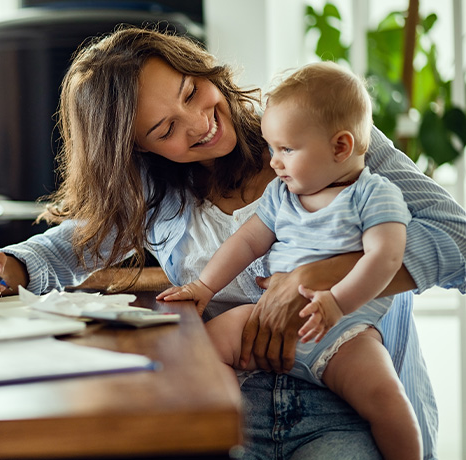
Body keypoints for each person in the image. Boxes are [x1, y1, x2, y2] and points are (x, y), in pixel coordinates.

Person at [0, 26, 466, 459]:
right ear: (136, 148)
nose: (199, 123)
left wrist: (314, 277)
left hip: (347, 393)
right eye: (165, 127)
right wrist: (4, 267)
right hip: (229, 395)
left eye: (191, 91)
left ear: (200, 68)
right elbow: (69, 246)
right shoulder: (154, 189)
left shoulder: (316, 129)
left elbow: (459, 241)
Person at [158, 61, 421, 459]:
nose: (274, 162)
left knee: (388, 399)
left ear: (340, 147)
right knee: (200, 348)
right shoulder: (283, 195)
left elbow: (385, 259)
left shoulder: (374, 196)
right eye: (272, 148)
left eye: (287, 150)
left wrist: (337, 302)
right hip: (267, 317)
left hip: (344, 333)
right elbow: (245, 242)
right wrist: (204, 285)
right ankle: (231, 431)